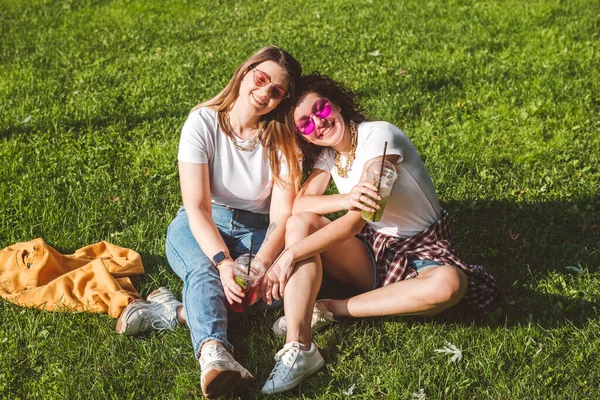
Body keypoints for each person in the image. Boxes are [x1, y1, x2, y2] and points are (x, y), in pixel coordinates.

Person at [260, 74, 498, 394]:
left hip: (422, 250)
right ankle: (299, 348)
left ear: (337, 103)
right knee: (300, 222)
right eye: (305, 124)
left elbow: (359, 221)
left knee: (450, 284)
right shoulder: (331, 155)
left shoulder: (380, 136)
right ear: (304, 136)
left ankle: (331, 308)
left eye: (321, 108)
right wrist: (346, 198)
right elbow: (301, 202)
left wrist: (289, 255)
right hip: (375, 250)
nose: (319, 122)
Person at [116, 45, 302, 399]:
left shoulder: (283, 139)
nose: (264, 92)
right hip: (200, 224)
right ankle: (215, 357)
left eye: (277, 90)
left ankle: (174, 311)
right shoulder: (202, 122)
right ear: (244, 72)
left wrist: (263, 262)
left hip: (257, 231)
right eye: (260, 78)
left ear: (283, 99)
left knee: (269, 292)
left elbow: (281, 214)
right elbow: (198, 207)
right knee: (206, 273)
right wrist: (223, 262)